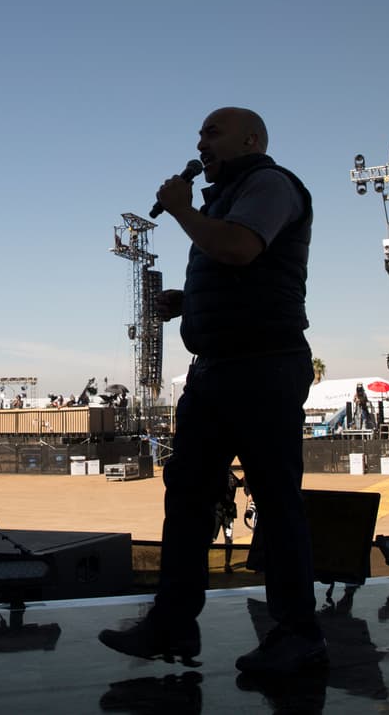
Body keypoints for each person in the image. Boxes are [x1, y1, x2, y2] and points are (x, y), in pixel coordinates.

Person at [99, 107, 326, 675]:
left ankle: (298, 632)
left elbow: (240, 250)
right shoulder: (224, 199)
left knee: (276, 501)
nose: (200, 142)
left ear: (250, 138)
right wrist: (188, 301)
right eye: (199, 133)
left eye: (212, 132)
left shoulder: (270, 185)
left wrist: (180, 210)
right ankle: (172, 624)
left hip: (264, 366)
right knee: (188, 496)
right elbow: (233, 267)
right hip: (217, 370)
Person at [214, 468, 244, 573]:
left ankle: (227, 563)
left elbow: (240, 483)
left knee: (229, 539)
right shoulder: (216, 475)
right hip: (217, 513)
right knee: (212, 538)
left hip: (228, 514)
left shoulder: (231, 475)